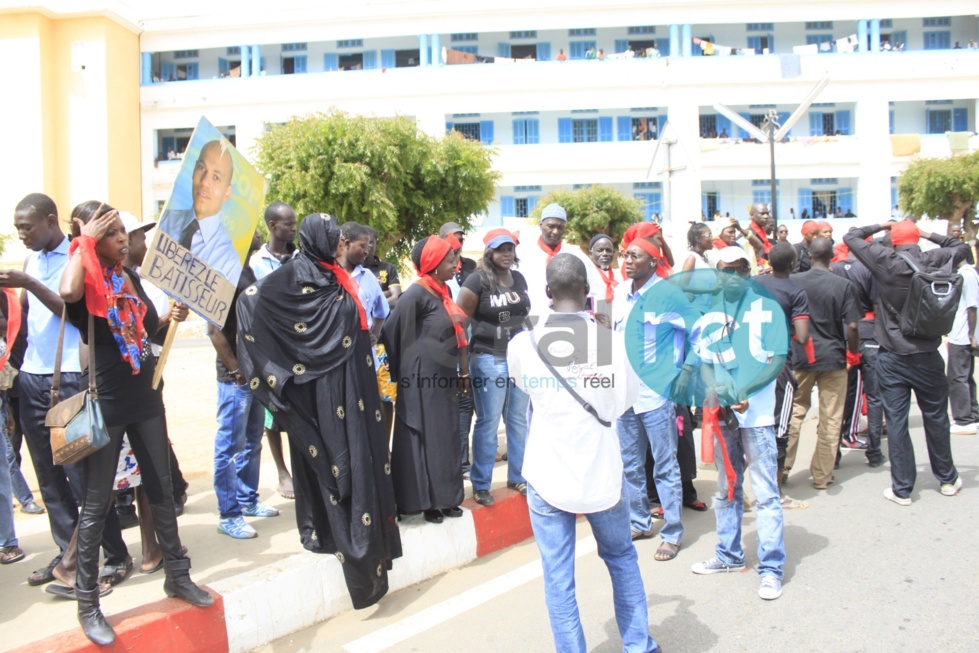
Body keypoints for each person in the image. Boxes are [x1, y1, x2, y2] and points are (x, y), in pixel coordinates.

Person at [61, 203, 211, 646]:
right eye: (113, 235)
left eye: (124, 232)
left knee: (162, 488)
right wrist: (83, 241)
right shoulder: (85, 280)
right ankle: (88, 604)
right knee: (97, 504)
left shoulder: (127, 279)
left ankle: (178, 577)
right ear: (91, 240)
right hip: (107, 402)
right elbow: (67, 293)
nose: (124, 240)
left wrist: (170, 319)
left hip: (146, 394)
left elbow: (147, 332)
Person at [236, 213, 402, 608]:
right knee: (338, 467)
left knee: (363, 463)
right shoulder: (296, 278)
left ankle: (369, 550)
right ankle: (342, 544)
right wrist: (290, 369)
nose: (338, 245)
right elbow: (250, 303)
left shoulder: (333, 276)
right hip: (328, 396)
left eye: (339, 239)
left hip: (358, 390)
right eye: (333, 240)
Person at [507, 253, 659, 653]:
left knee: (558, 577)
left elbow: (524, 387)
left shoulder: (523, 343)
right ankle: (638, 645)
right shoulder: (611, 342)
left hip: (547, 474)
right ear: (588, 293)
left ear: (546, 294)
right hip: (602, 472)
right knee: (622, 557)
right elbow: (626, 400)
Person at [2, 194, 129, 590]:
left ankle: (112, 554)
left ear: (51, 221)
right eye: (18, 228)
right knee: (49, 477)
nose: (21, 234)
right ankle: (67, 558)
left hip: (72, 376)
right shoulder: (30, 261)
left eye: (27, 227)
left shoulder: (78, 255)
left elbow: (71, 310)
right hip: (34, 380)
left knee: (84, 474)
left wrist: (29, 284)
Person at [845, 220, 967, 504]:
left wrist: (882, 225)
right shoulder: (932, 259)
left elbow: (851, 236)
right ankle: (947, 479)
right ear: (916, 239)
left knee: (897, 422)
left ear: (894, 240)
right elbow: (958, 245)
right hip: (928, 354)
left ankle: (902, 489)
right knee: (936, 419)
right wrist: (926, 234)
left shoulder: (887, 261)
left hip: (893, 356)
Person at [691, 245, 786, 601]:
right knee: (727, 489)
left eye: (740, 269)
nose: (733, 275)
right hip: (725, 416)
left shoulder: (767, 308)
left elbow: (777, 360)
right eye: (725, 269)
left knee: (765, 495)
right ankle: (729, 555)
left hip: (757, 418)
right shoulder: (711, 313)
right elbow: (703, 361)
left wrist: (748, 388)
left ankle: (771, 569)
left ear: (749, 273)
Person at [614, 235, 696, 561]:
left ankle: (672, 532)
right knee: (630, 463)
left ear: (652, 261)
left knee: (664, 465)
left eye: (634, 256)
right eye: (626, 255)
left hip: (657, 394)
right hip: (624, 394)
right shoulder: (620, 293)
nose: (627, 260)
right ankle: (639, 521)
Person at [381, 236, 468, 523]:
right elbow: (391, 332)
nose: (455, 263)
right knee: (427, 439)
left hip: (443, 378)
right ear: (432, 265)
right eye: (449, 260)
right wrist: (407, 370)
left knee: (446, 437)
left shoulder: (443, 292)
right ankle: (427, 501)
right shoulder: (415, 295)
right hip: (421, 380)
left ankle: (447, 498)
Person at [208, 229, 276, 539]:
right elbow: (214, 329)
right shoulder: (223, 274)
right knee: (230, 446)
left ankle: (248, 500)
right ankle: (228, 514)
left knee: (252, 439)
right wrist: (236, 369)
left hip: (254, 371)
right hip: (235, 377)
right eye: (250, 228)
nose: (257, 232)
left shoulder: (247, 269)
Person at [457, 228, 531, 506]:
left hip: (518, 359)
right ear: (489, 252)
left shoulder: (519, 278)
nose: (507, 254)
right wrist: (462, 367)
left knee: (518, 420)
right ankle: (481, 483)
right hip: (488, 358)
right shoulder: (476, 281)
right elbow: (459, 325)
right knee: (488, 423)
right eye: (501, 249)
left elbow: (524, 317)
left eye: (510, 248)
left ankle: (518, 476)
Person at [783, 237, 860, 490]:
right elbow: (852, 326)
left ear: (810, 255)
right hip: (833, 356)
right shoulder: (843, 284)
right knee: (831, 417)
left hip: (801, 356)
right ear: (831, 257)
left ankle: (782, 468)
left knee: (794, 412)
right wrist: (854, 354)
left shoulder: (793, 282)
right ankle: (822, 476)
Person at [251, 202, 298, 499]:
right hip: (270, 347)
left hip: (299, 347)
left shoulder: (300, 259)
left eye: (294, 223)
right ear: (271, 225)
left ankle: (303, 466)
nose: (293, 228)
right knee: (272, 413)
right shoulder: (256, 264)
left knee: (299, 410)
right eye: (288, 224)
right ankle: (282, 471)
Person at [157, 139, 243, 285]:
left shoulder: (229, 261)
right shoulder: (165, 222)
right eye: (202, 168)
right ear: (193, 170)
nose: (204, 182)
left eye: (216, 177)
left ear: (227, 192)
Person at [830, 246, 886, 467]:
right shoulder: (868, 269)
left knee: (839, 395)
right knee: (874, 396)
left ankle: (834, 455)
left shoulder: (832, 269)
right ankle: (874, 452)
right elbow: (877, 305)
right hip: (869, 332)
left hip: (843, 332)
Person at [439, 222, 477, 479]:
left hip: (471, 347)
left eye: (461, 238)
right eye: (452, 238)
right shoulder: (440, 276)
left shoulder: (472, 268)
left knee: (466, 406)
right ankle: (456, 462)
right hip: (448, 351)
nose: (457, 242)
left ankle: (463, 461)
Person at [516, 203, 593, 318]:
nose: (556, 231)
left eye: (560, 227)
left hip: (570, 322)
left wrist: (588, 316)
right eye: (551, 226)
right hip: (532, 321)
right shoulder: (522, 254)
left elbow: (589, 289)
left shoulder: (576, 255)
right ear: (541, 225)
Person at [945, 258, 979, 434]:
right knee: (964, 376)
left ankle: (964, 419)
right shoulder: (965, 273)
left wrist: (972, 334)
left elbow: (972, 307)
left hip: (962, 335)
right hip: (961, 333)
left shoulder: (966, 274)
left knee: (957, 377)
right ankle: (972, 414)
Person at [585, 233, 619, 327]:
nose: (605, 254)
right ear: (591, 254)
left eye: (608, 250)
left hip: (616, 325)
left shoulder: (619, 275)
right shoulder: (587, 274)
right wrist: (592, 316)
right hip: (594, 324)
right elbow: (584, 299)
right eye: (600, 250)